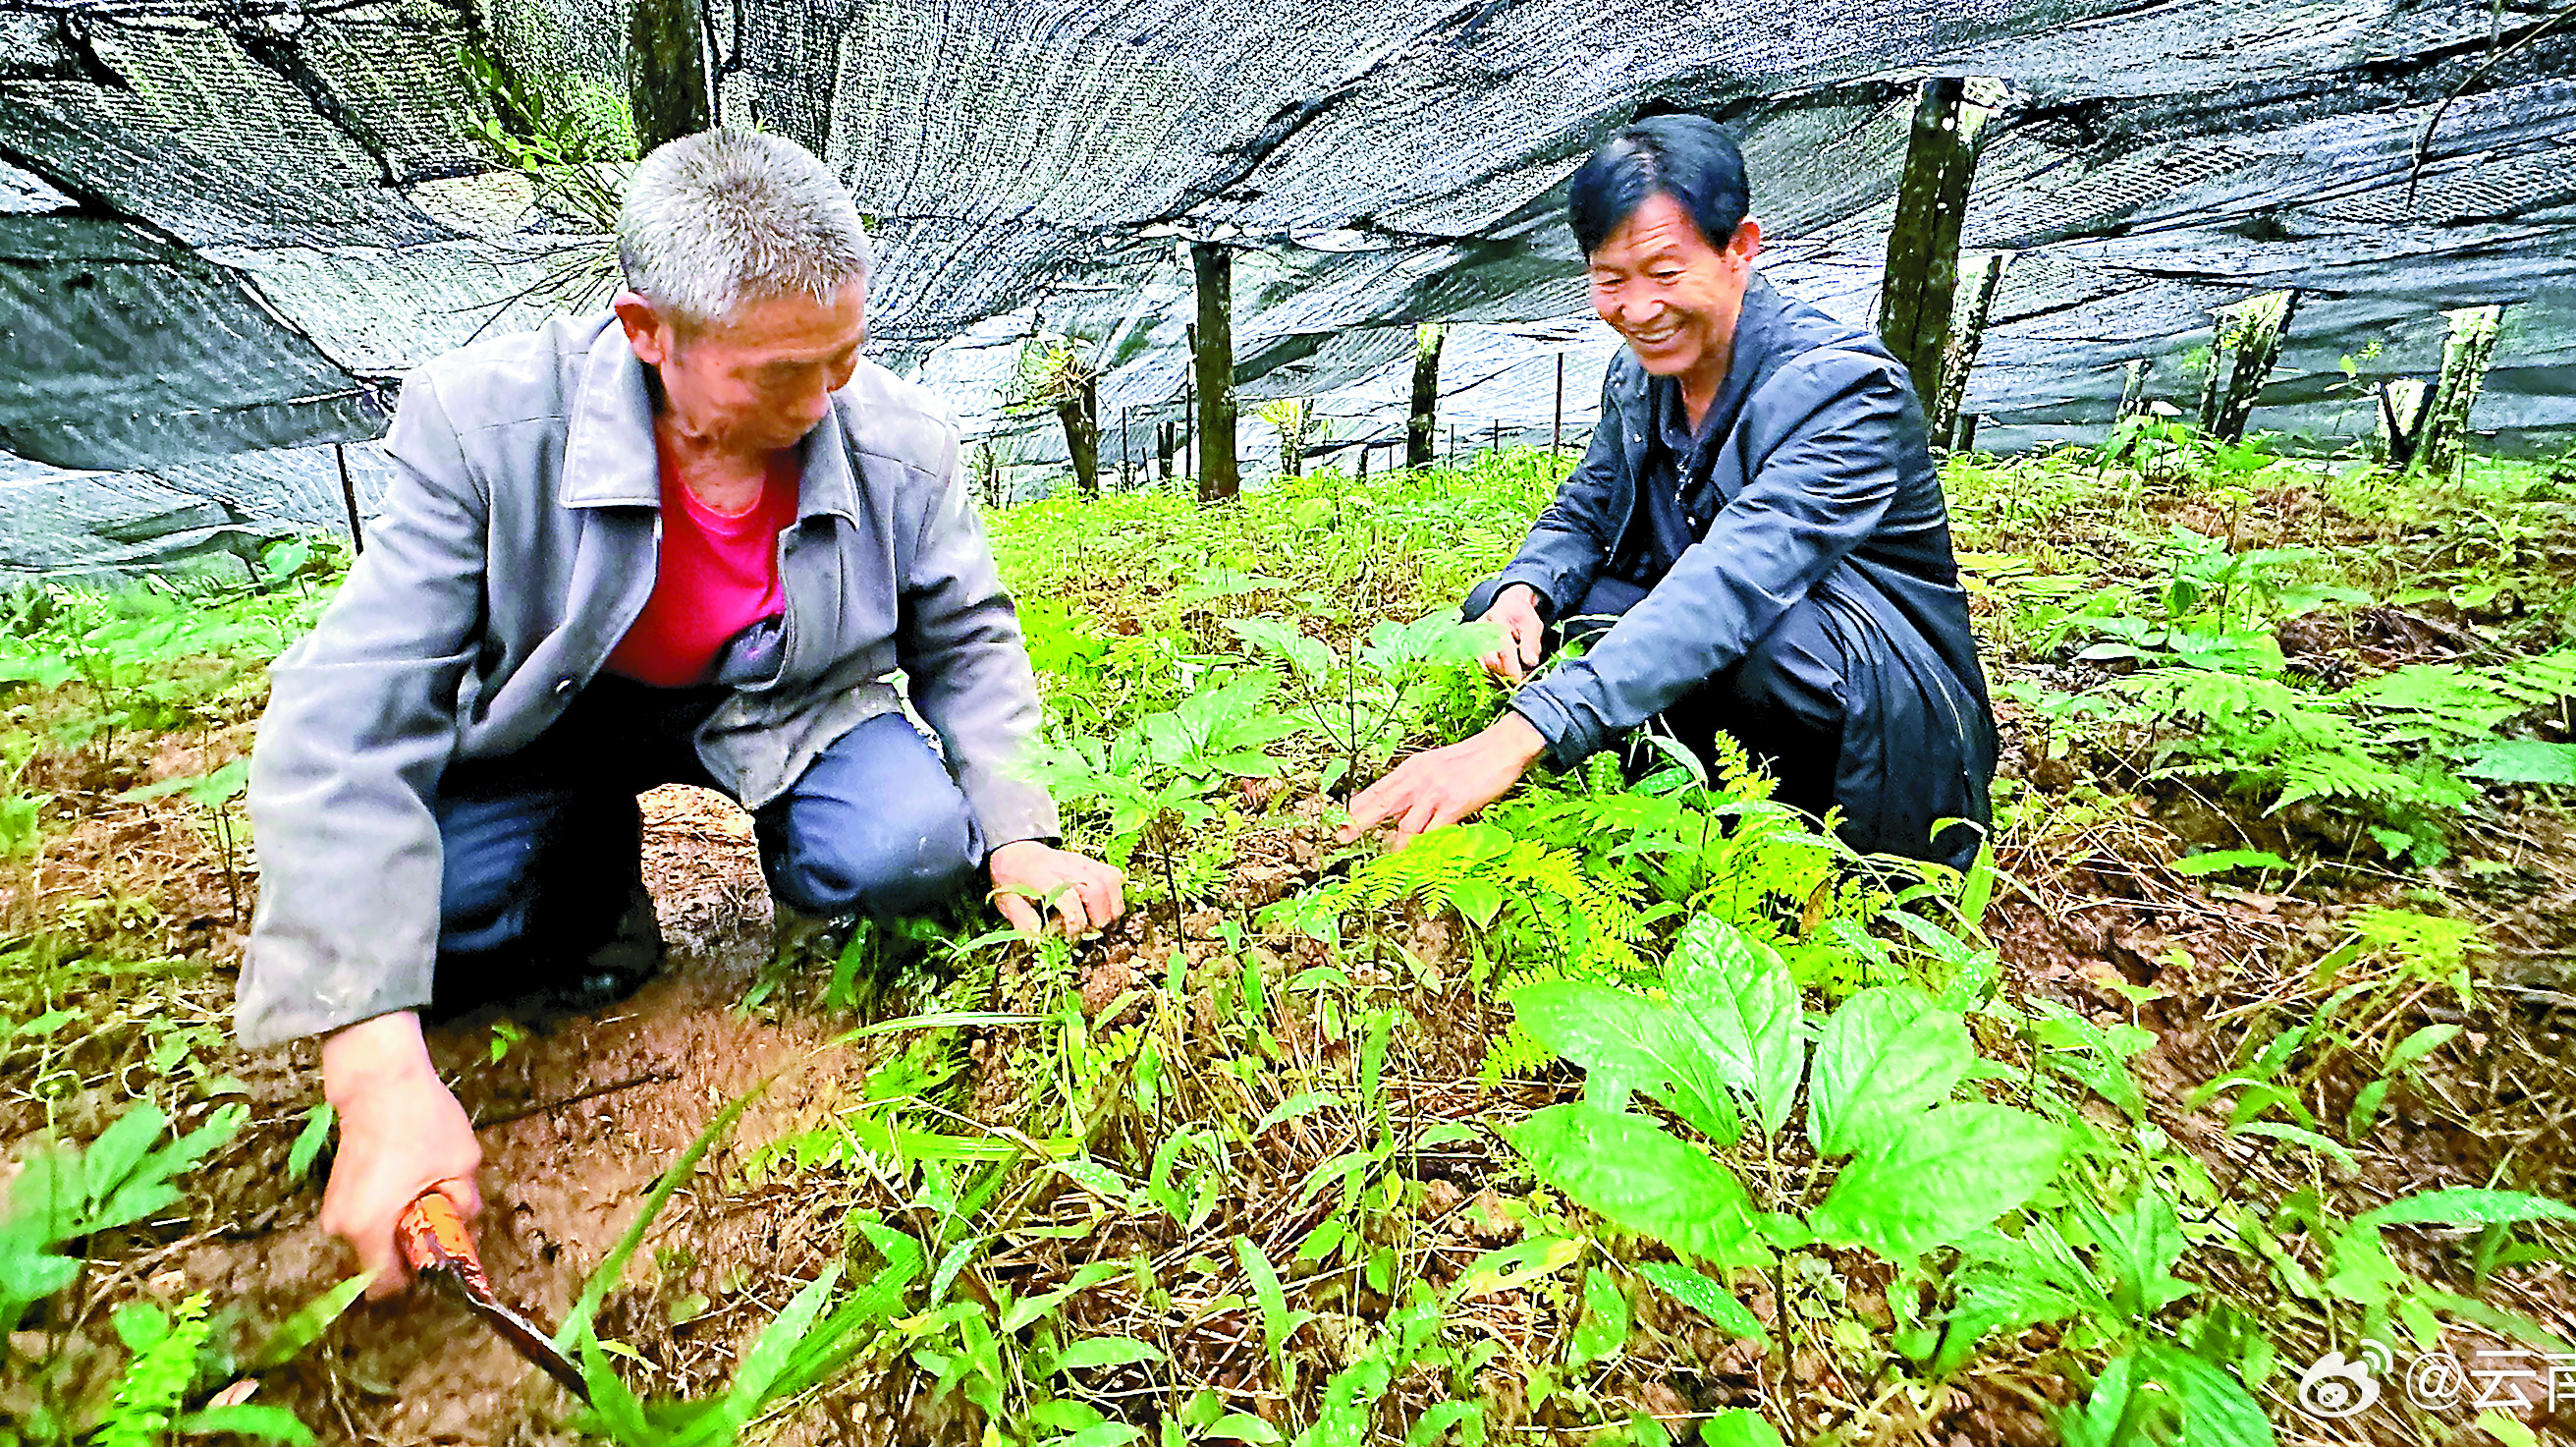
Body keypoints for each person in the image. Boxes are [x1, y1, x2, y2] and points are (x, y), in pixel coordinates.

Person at [234, 128, 1123, 1296]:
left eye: (842, 358)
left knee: (908, 847)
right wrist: (373, 1069)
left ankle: (799, 878)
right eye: (776, 372)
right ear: (647, 330)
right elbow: (348, 711)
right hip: (549, 722)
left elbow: (966, 636)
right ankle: (590, 892)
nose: (819, 403)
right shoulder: (485, 427)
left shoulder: (899, 441)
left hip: (783, 702)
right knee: (450, 916)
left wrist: (1020, 829)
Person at [1341, 114, 1997, 865]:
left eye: (1665, 272)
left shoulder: (1844, 388)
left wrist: (1518, 736)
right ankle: (1675, 805)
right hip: (1726, 648)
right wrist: (1525, 589)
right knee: (1507, 612)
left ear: (1738, 249)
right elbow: (1587, 509)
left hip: (1879, 710)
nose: (1638, 308)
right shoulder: (1640, 376)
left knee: (1763, 646)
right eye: (1609, 279)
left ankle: (1808, 845)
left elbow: (1735, 583)